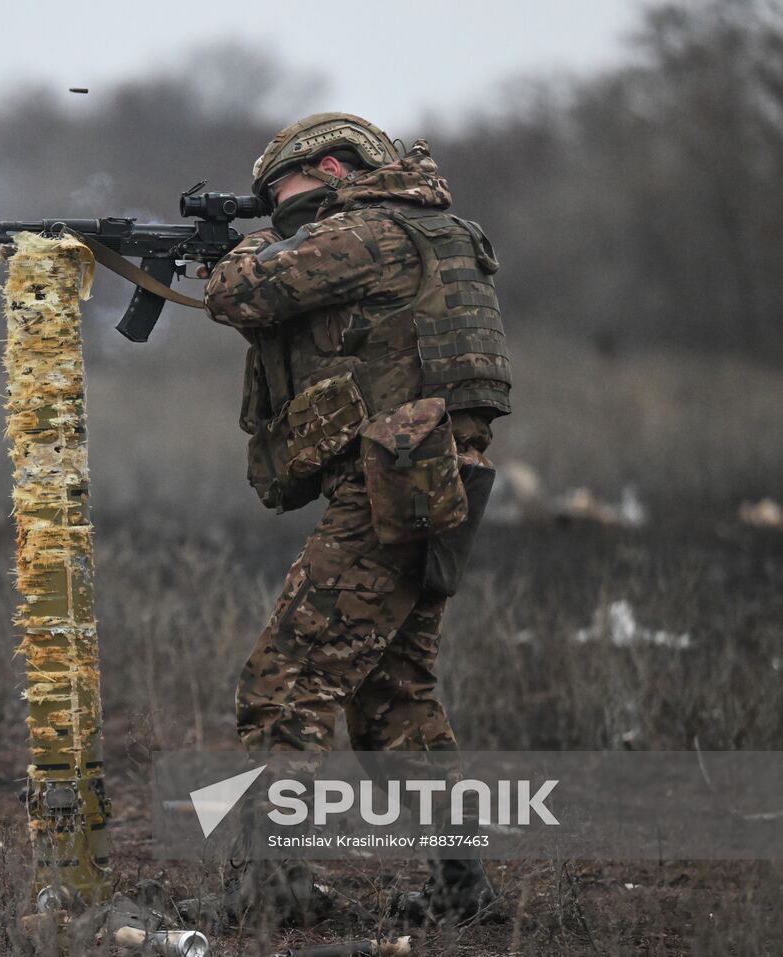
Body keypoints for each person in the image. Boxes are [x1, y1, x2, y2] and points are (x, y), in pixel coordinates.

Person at [203, 112, 511, 925]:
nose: (278, 208)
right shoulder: (433, 227)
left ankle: (272, 894)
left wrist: (230, 252)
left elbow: (245, 291)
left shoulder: (371, 231)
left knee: (284, 687)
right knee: (392, 699)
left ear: (335, 169)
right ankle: (462, 892)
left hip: (391, 489)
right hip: (432, 484)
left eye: (286, 190)